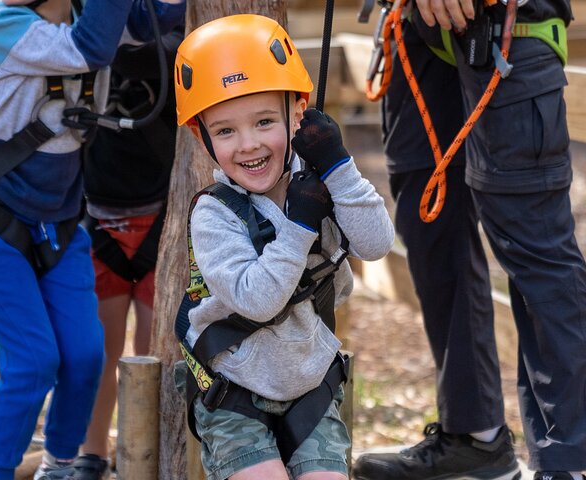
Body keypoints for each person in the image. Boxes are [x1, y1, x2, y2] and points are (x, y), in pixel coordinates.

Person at [0, 0, 185, 478]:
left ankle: (60, 464)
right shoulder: (0, 24)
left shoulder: (83, 16)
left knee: (84, 354)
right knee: (33, 362)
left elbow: (153, 20)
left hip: (62, 226)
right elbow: (91, 48)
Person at [352, 1, 586, 479]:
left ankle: (571, 462)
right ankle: (476, 439)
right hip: (414, 25)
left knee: (536, 248)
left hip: (510, 23)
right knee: (431, 229)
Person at [172, 14, 394, 480]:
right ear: (202, 136)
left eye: (265, 121)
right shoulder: (214, 213)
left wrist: (337, 166)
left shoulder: (321, 180)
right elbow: (256, 300)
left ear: (299, 112)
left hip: (310, 381)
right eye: (226, 130)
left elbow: (375, 244)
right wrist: (298, 225)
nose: (248, 144)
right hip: (233, 390)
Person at [71, 23, 184, 480]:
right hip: (99, 218)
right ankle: (92, 453)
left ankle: (143, 456)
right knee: (100, 351)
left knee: (155, 354)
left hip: (163, 221)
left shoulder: (180, 39)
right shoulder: (80, 39)